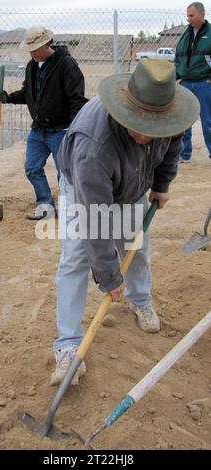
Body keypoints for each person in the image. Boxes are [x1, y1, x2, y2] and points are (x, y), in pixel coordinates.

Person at [49, 58, 200, 386]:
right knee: (76, 258)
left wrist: (162, 183)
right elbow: (95, 220)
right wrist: (107, 276)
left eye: (154, 128)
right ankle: (68, 345)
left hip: (133, 185)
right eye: (140, 127)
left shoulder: (171, 116)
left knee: (137, 246)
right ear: (124, 112)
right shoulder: (94, 146)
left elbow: (172, 147)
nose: (147, 136)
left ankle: (140, 300)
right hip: (85, 190)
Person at [0, 25, 88, 219]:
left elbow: (77, 100)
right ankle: (45, 205)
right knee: (32, 168)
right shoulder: (32, 66)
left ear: (47, 44)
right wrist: (9, 98)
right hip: (38, 130)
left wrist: (76, 130)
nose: (31, 52)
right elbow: (28, 93)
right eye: (29, 49)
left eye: (35, 48)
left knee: (65, 173)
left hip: (62, 130)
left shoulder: (66, 65)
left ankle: (68, 209)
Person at [175, 2, 211, 163]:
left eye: (191, 15)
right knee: (184, 121)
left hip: (205, 84)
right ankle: (184, 155)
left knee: (208, 122)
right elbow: (178, 57)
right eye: (187, 15)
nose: (188, 19)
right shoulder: (185, 35)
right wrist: (177, 76)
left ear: (202, 14)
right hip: (185, 84)